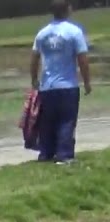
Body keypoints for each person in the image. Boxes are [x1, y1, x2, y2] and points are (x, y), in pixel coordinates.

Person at [31, 0, 92, 164]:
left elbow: (34, 58)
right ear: (68, 10)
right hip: (68, 85)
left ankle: (46, 153)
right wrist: (87, 82)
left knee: (47, 122)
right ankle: (64, 155)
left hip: (47, 86)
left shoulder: (42, 33)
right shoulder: (74, 32)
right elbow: (83, 59)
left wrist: (34, 79)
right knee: (67, 120)